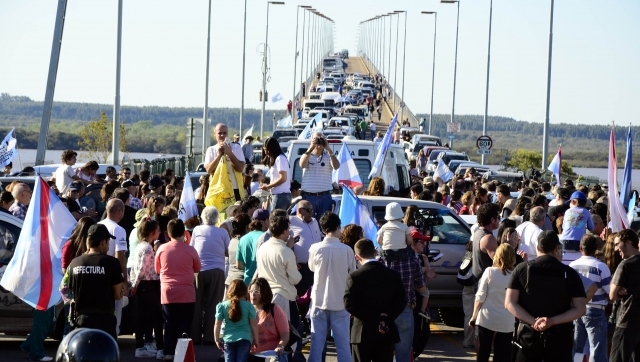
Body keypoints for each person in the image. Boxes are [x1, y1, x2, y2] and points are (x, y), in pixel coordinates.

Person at [505, 231, 587, 361]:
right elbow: (580, 308)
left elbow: (509, 302)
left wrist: (533, 321)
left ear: (537, 248)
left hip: (528, 337)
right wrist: (552, 321)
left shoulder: (521, 269)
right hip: (559, 339)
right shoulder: (569, 273)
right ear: (556, 248)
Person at [344, 239, 406, 362]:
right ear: (374, 251)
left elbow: (349, 304)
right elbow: (401, 301)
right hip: (386, 332)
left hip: (362, 333)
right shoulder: (393, 275)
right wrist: (385, 319)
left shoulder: (355, 276)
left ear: (357, 257)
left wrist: (375, 317)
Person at [307, 213, 356, 362]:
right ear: (337, 227)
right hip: (340, 303)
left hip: (318, 301)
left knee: (316, 345)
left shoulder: (315, 248)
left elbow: (312, 268)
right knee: (343, 347)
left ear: (322, 229)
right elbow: (352, 274)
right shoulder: (347, 250)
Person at [66, 224, 124, 339]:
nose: (108, 247)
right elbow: (118, 295)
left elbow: (70, 292)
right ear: (102, 242)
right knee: (105, 355)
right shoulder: (112, 263)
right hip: (105, 321)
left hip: (81, 321)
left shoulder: (74, 263)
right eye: (108, 242)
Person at [155, 219, 202, 360]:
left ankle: (168, 353)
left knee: (169, 324)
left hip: (168, 293)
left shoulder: (162, 249)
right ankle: (183, 355)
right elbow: (197, 268)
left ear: (168, 233)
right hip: (187, 293)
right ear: (184, 232)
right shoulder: (191, 250)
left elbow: (157, 269)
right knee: (185, 325)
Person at [470, 244, 517, 362]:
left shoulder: (489, 271)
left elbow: (480, 296)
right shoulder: (515, 275)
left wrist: (474, 316)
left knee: (483, 352)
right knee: (502, 355)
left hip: (487, 318)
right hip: (507, 321)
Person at [191, 206, 230, 345]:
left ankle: (194, 336)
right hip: (217, 270)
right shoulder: (223, 232)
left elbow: (192, 248)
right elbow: (228, 251)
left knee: (196, 304)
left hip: (198, 271)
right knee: (213, 304)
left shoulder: (196, 230)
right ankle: (209, 336)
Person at [569, 234, 611, 362]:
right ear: (596, 248)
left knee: (577, 348)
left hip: (576, 310)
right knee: (597, 351)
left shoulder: (572, 266)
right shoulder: (601, 267)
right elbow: (610, 291)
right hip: (596, 310)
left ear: (581, 248)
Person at [254, 214, 301, 322]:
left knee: (269, 332)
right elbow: (295, 279)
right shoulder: (286, 251)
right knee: (287, 333)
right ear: (284, 231)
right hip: (283, 296)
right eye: (288, 229)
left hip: (265, 295)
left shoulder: (262, 248)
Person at [129, 218, 164, 359]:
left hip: (144, 284)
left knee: (143, 316)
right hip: (148, 284)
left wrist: (134, 283)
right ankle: (160, 348)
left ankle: (141, 345)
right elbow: (142, 269)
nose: (159, 232)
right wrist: (135, 285)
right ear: (152, 233)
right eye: (157, 230)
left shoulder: (140, 246)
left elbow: (135, 268)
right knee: (157, 315)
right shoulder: (148, 248)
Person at [97, 199, 128, 334]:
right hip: (112, 277)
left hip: (97, 274)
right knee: (115, 313)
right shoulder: (119, 230)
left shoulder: (97, 225)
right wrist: (124, 281)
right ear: (120, 212)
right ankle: (112, 338)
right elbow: (120, 257)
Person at [609, 229, 640, 362]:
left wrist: (618, 290)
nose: (615, 249)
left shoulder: (626, 264)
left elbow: (612, 295)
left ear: (627, 243)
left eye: (617, 244)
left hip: (626, 322)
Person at [214, 280, 259, 362]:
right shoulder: (249, 306)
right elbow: (254, 324)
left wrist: (217, 339)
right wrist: (256, 339)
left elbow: (217, 324)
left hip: (228, 339)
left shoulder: (221, 306)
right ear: (245, 293)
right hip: (245, 339)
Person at [299, 132, 340, 219]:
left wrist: (328, 149)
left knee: (324, 223)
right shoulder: (307, 155)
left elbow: (336, 166)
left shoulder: (328, 156)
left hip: (325, 196)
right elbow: (302, 165)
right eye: (316, 139)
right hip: (309, 196)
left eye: (321, 139)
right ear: (311, 140)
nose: (319, 141)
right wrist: (311, 148)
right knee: (307, 222)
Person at [248, 278, 290, 359]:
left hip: (271, 355)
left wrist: (280, 346)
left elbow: (285, 334)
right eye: (251, 291)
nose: (253, 294)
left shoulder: (275, 309)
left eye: (257, 291)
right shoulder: (246, 310)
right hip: (250, 354)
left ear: (264, 293)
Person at [289, 200, 323, 297]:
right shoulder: (290, 221)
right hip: (302, 268)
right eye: (308, 210)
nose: (311, 213)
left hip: (317, 267)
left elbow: (320, 236)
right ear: (299, 210)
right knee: (302, 298)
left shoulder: (315, 221)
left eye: (312, 210)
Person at [204, 123, 246, 201]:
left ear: (227, 134)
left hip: (234, 189)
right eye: (219, 133)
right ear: (215, 134)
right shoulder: (211, 150)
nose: (222, 135)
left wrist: (230, 154)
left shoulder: (236, 147)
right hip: (217, 190)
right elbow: (209, 170)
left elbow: (240, 168)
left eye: (224, 133)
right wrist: (219, 155)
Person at [237, 209, 269, 285]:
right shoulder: (266, 237)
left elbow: (239, 265)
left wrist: (250, 267)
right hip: (262, 284)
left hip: (247, 283)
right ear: (262, 222)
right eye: (269, 220)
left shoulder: (242, 239)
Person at [561, 191, 594, 264]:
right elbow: (591, 228)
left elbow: (563, 227)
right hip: (578, 243)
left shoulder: (567, 211)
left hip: (563, 242)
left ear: (572, 201)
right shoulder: (586, 212)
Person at [261, 137, 291, 211]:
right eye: (264, 150)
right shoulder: (278, 158)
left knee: (276, 220)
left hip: (281, 196)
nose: (266, 152)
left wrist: (268, 186)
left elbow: (283, 178)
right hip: (279, 195)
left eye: (267, 150)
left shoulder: (280, 158)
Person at [472, 203, 500, 282]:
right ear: (492, 220)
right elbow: (500, 262)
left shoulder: (478, 232)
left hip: (479, 282)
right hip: (486, 284)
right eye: (498, 217)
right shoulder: (488, 238)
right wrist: (510, 245)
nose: (499, 220)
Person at [226, 213, 252, 287]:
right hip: (241, 282)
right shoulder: (245, 242)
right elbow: (242, 265)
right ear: (247, 227)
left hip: (230, 280)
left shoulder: (232, 240)